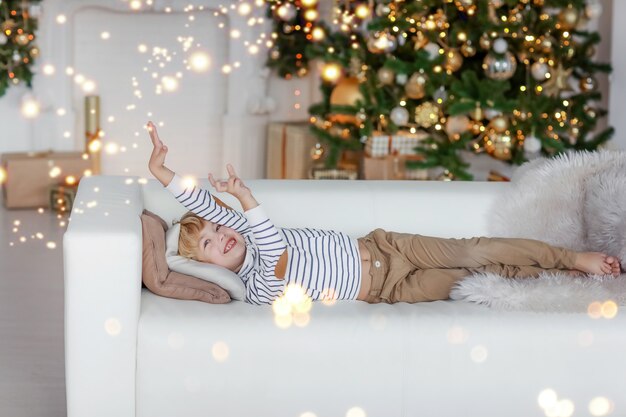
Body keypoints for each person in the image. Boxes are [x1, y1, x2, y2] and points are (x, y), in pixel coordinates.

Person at [146, 121, 622, 305]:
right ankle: (563, 280)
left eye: (216, 229)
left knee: (476, 251)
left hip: (384, 245)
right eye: (208, 245)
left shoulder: (239, 228)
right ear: (210, 266)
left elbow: (203, 204)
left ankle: (570, 259)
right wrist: (246, 200)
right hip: (390, 288)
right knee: (486, 274)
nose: (219, 237)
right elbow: (270, 247)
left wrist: (163, 172)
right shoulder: (256, 285)